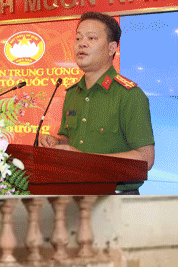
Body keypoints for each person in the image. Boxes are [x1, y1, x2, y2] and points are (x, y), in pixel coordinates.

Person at [41, 11, 155, 194]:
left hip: (117, 199)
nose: (82, 43)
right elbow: (69, 139)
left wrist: (85, 160)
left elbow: (145, 159)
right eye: (78, 38)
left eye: (92, 38)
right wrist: (56, 142)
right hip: (75, 195)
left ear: (111, 48)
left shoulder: (129, 95)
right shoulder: (72, 94)